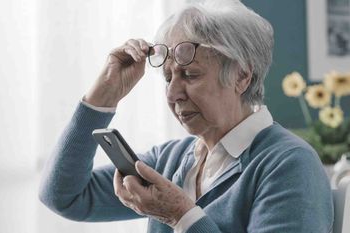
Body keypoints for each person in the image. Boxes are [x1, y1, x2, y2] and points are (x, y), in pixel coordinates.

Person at [39, 0, 334, 232]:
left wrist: (182, 216)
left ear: (242, 77)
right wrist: (104, 95)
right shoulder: (172, 160)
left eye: (190, 75)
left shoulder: (289, 164)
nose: (172, 94)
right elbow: (63, 197)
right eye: (168, 78)